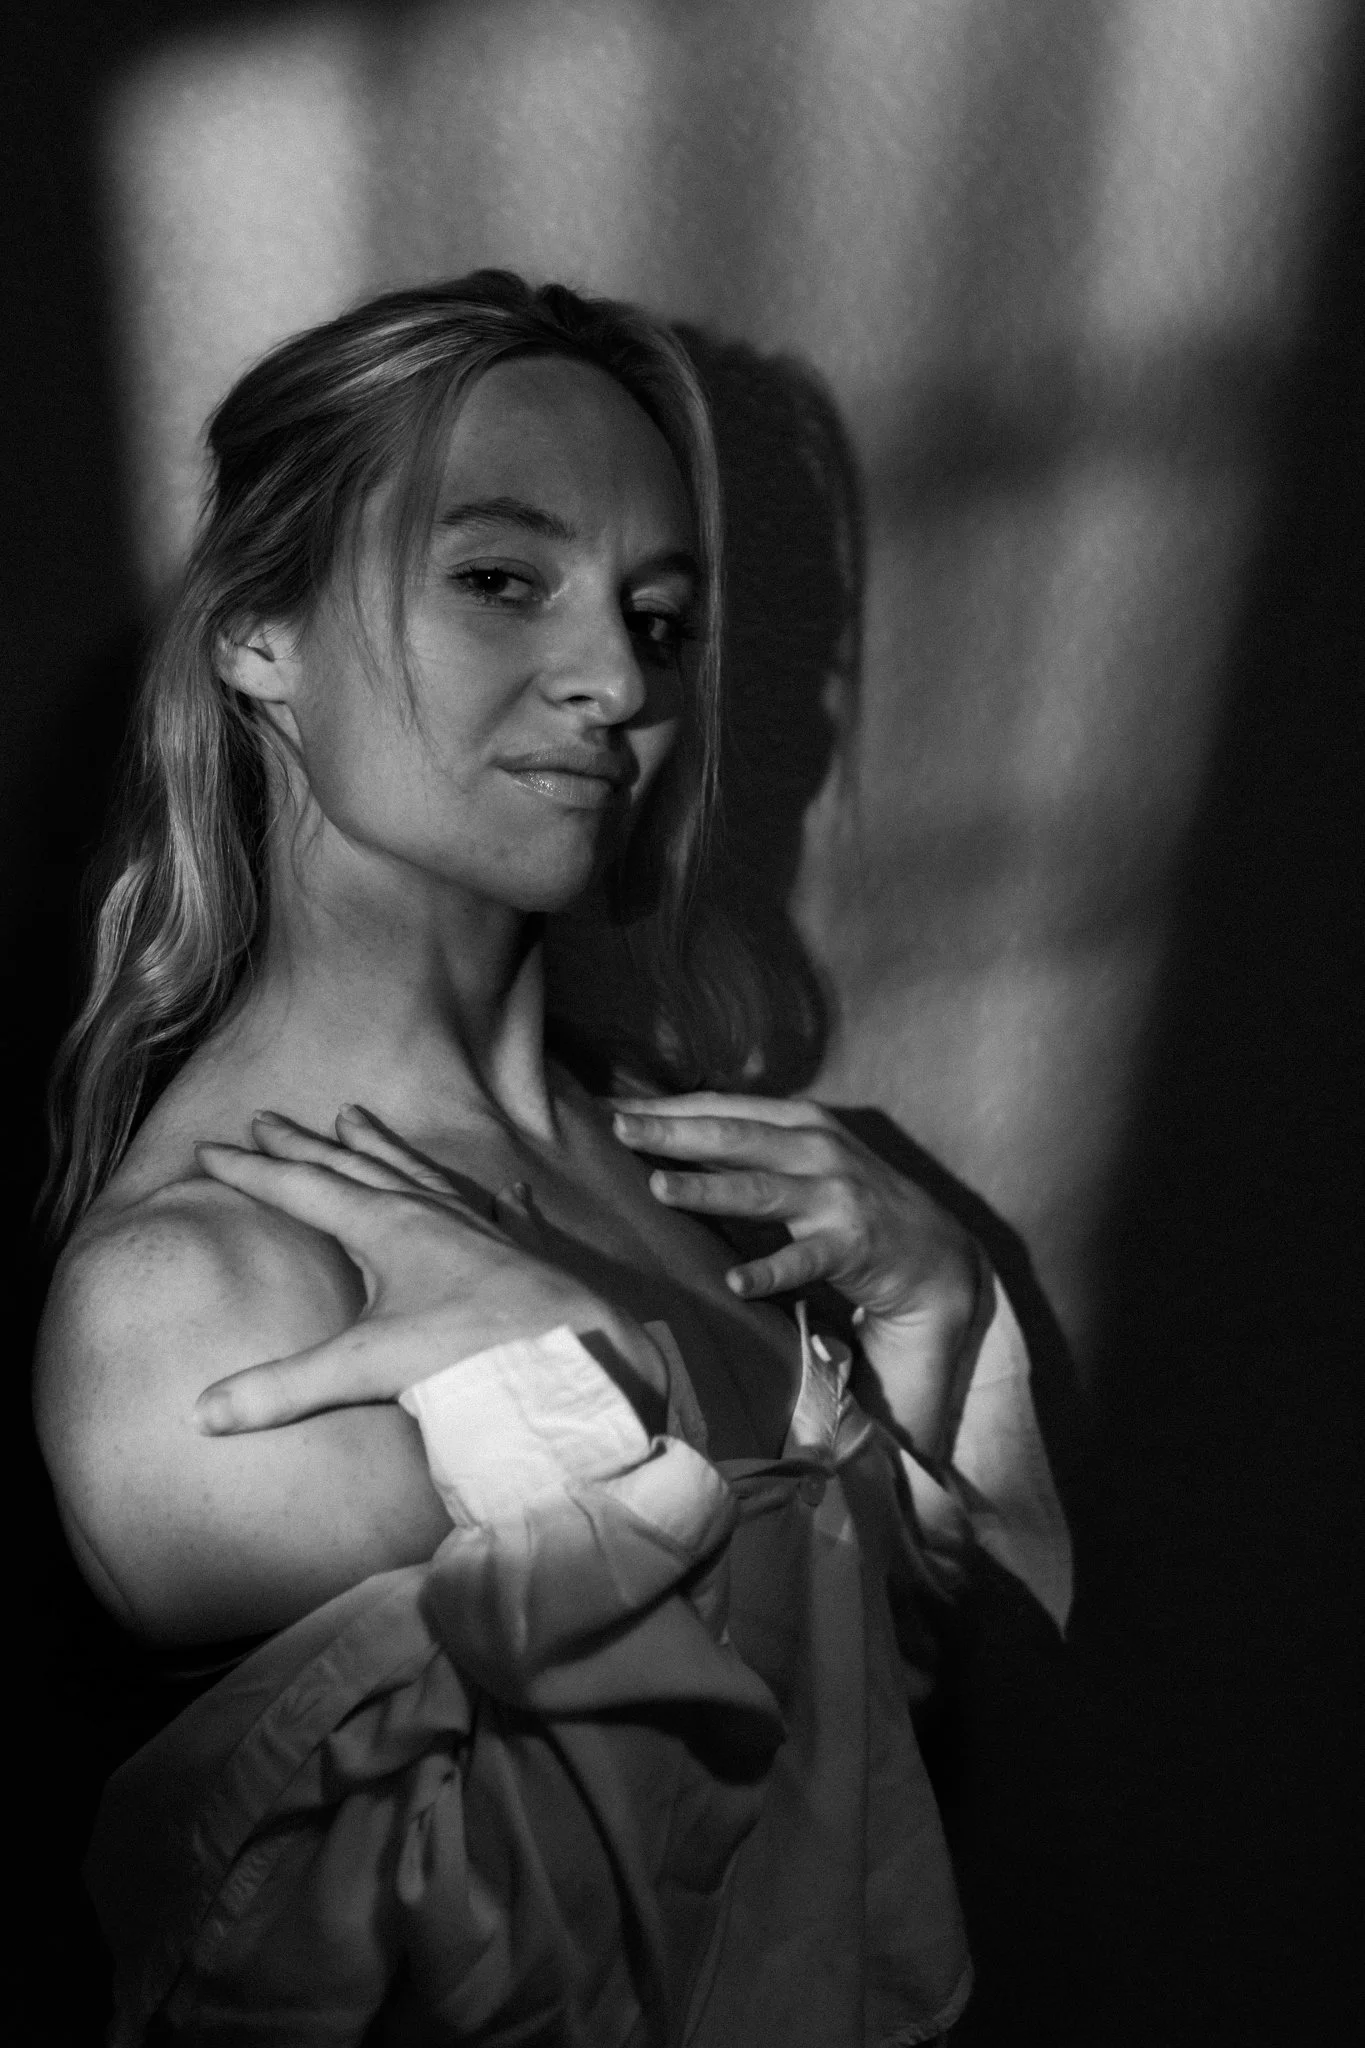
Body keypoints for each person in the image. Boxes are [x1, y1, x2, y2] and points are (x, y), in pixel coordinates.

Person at [33, 271, 1071, 2047]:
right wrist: (557, 1411)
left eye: (658, 619)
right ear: (258, 633)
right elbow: (501, 1975)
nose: (614, 683)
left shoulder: (691, 1167)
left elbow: (886, 1807)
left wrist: (937, 1330)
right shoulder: (196, 1300)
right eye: (501, 580)